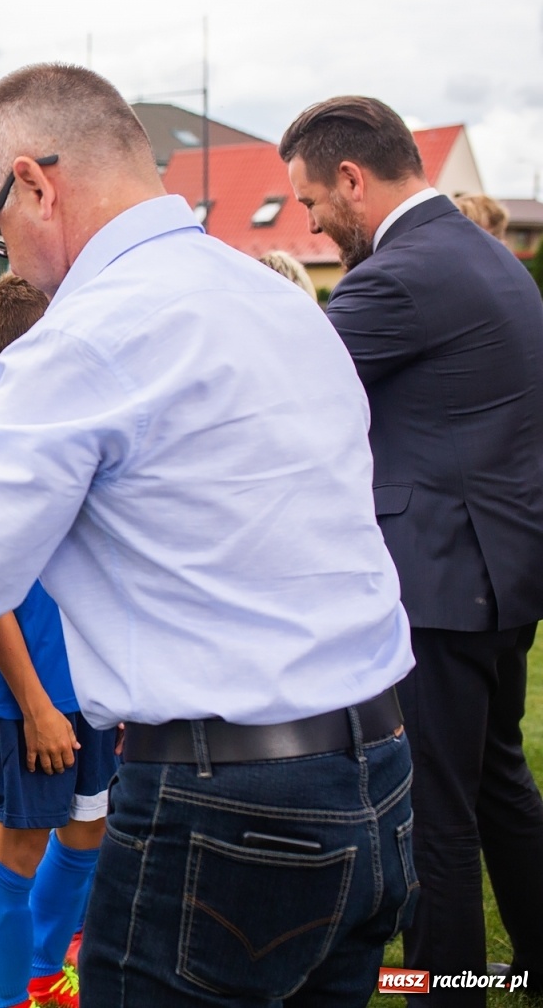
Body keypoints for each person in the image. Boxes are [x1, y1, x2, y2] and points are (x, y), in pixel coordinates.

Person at [0, 64, 416, 1005]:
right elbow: (177, 479)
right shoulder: (270, 297)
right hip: (374, 768)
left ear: (35, 184)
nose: (4, 258)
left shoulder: (85, 336)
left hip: (224, 797)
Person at [283, 95, 543, 1002]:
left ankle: (452, 986)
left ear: (352, 178)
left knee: (436, 812)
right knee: (496, 781)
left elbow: (285, 396)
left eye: (312, 203)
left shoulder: (397, 277)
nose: (310, 225)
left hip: (438, 579)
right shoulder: (486, 257)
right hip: (497, 576)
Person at [0, 273, 107, 1008]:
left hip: (91, 683)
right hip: (35, 694)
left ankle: (45, 973)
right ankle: (6, 996)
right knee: (22, 842)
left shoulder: (78, 426)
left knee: (89, 829)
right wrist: (34, 703)